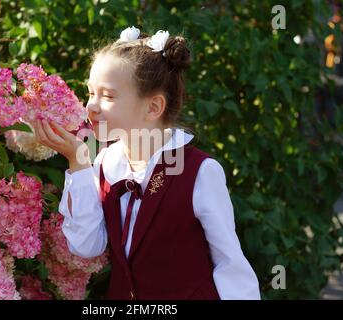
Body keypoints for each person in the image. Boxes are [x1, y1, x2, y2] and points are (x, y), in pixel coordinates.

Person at [33, 26, 260, 300]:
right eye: (91, 92)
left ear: (153, 107)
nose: (91, 106)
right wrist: (78, 162)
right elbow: (86, 246)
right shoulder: (107, 161)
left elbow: (230, 264)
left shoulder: (199, 172)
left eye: (107, 95)